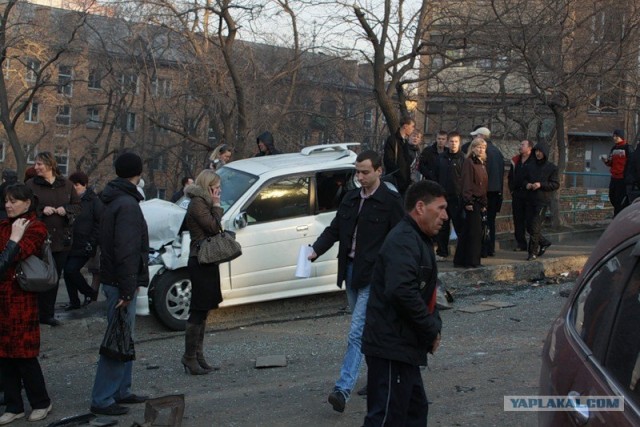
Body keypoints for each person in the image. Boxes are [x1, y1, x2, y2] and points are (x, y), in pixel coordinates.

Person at [308, 150, 404, 413]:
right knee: (368, 331)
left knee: (357, 332)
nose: (359, 177)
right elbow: (335, 230)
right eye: (357, 172)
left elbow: (402, 239)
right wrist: (314, 250)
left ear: (378, 171)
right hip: (350, 273)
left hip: (375, 277)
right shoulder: (350, 198)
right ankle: (381, 378)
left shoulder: (390, 201)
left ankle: (342, 389)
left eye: (365, 172)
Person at [361, 180, 446, 427]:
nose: (444, 216)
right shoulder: (404, 240)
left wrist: (434, 326)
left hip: (404, 346)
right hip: (391, 347)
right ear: (420, 207)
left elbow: (428, 292)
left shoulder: (418, 239)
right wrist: (430, 329)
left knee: (414, 412)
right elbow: (401, 291)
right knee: (387, 417)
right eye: (439, 208)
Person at [90, 152, 149, 416]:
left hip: (117, 278)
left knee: (125, 336)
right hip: (120, 281)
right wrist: (127, 287)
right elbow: (126, 249)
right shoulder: (126, 204)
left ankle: (121, 390)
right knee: (117, 338)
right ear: (138, 172)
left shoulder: (113, 198)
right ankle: (103, 398)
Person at [0, 184, 53, 424]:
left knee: (24, 355)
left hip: (21, 298)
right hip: (2, 297)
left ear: (27, 203)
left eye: (13, 201)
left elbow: (15, 255)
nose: (8, 205)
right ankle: (14, 405)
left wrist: (14, 238)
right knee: (3, 355)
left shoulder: (36, 227)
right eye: (6, 201)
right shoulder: (3, 226)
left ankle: (41, 402)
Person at [26, 152, 81, 326]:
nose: (36, 167)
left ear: (50, 165)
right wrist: (42, 210)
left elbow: (78, 206)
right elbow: (25, 208)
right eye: (36, 164)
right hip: (38, 240)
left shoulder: (67, 185)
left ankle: (47, 314)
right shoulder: (30, 185)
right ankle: (31, 313)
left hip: (61, 240)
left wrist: (67, 210)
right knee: (35, 276)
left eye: (40, 164)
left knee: (54, 278)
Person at [181, 169, 225, 375]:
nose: (219, 190)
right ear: (208, 187)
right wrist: (217, 206)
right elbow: (214, 227)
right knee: (198, 308)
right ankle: (189, 357)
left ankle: (198, 355)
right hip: (200, 259)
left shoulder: (203, 202)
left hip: (207, 260)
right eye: (216, 187)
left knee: (204, 308)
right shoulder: (198, 203)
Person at [63, 172, 102, 310]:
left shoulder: (93, 201)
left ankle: (89, 292)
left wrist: (92, 241)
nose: (74, 187)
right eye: (72, 185)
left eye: (76, 185)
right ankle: (74, 301)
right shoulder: (70, 200)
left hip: (85, 243)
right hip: (70, 242)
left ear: (84, 185)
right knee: (67, 272)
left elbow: (99, 223)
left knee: (71, 270)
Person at [453, 138, 488, 269]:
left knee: (469, 231)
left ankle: (461, 259)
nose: (481, 149)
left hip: (479, 200)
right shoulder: (469, 162)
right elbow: (466, 181)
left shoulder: (482, 163)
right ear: (473, 148)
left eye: (483, 148)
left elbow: (483, 184)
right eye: (478, 147)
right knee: (474, 232)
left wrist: (484, 202)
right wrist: (468, 200)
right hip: (472, 200)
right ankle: (472, 261)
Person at [523, 143, 559, 260]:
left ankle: (532, 252)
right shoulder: (530, 166)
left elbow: (555, 184)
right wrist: (527, 184)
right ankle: (543, 242)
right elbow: (522, 179)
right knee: (528, 226)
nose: (538, 154)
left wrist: (541, 184)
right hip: (529, 199)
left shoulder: (551, 167)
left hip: (542, 200)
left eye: (540, 151)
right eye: (536, 151)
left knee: (535, 226)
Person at [433, 131, 465, 261]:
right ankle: (442, 252)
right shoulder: (441, 158)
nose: (453, 144)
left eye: (456, 141)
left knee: (460, 226)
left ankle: (462, 253)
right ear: (447, 142)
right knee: (443, 227)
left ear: (459, 143)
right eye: (451, 141)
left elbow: (465, 178)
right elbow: (435, 175)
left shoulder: (463, 158)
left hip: (457, 197)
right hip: (443, 197)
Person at [508, 140, 535, 252]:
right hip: (517, 194)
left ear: (530, 148)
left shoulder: (534, 161)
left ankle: (534, 243)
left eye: (523, 145)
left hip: (529, 194)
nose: (520, 147)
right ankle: (521, 243)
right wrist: (512, 190)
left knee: (530, 221)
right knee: (518, 219)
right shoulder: (516, 160)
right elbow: (510, 177)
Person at [481, 130, 505, 257]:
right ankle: (490, 248)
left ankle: (484, 249)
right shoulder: (497, 152)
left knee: (483, 222)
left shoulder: (485, 152)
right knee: (491, 222)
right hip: (496, 192)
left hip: (486, 192)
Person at [383, 116, 417, 195]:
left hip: (405, 182)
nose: (413, 129)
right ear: (405, 126)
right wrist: (399, 174)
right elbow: (388, 160)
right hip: (396, 181)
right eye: (412, 126)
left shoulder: (405, 141)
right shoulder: (392, 140)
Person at [602, 129, 632, 216]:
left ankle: (618, 217)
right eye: (614, 136)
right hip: (614, 177)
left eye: (616, 136)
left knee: (620, 200)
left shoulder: (627, 148)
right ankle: (618, 214)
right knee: (612, 197)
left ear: (621, 137)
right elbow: (610, 162)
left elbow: (631, 163)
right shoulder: (614, 148)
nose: (614, 138)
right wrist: (606, 161)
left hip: (622, 178)